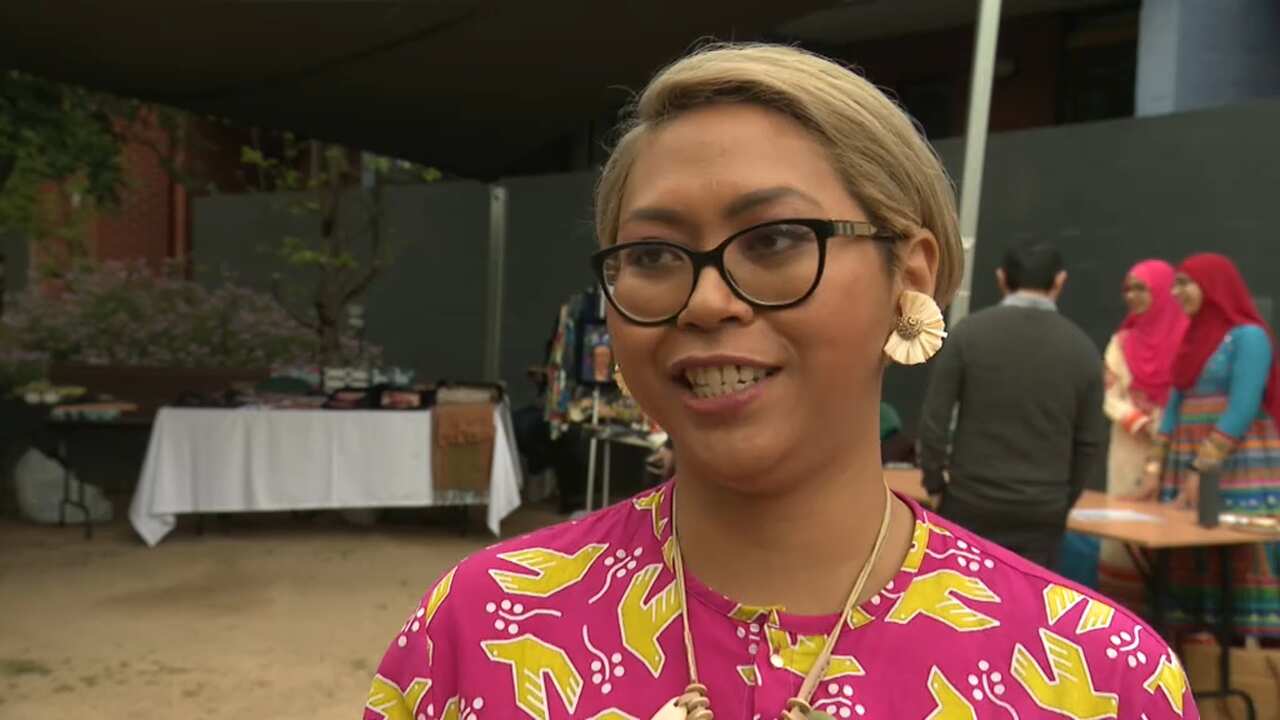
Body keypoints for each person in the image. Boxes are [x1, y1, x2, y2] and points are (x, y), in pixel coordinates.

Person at [363, 44, 1194, 719]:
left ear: (909, 274)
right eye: (653, 256)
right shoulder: (484, 626)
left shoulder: (1089, 676)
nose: (708, 300)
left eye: (775, 241)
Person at [919, 241, 1107, 569]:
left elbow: (934, 420)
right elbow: (1089, 443)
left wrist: (935, 484)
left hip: (968, 502)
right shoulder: (1083, 349)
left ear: (1001, 278)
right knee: (1028, 611)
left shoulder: (968, 334)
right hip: (1042, 512)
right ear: (1060, 281)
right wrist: (1061, 502)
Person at [1131, 252, 1280, 638]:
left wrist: (1203, 468)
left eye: (1185, 282)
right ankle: (1198, 654)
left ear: (1213, 286)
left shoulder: (1250, 337)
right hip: (1190, 465)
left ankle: (1240, 665)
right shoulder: (1193, 336)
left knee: (1231, 550)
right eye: (1175, 283)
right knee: (1190, 549)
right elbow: (1173, 409)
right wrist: (1153, 471)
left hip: (1233, 466)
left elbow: (1244, 406)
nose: (1177, 292)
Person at [1098, 260, 1187, 609]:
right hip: (1129, 447)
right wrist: (1138, 419)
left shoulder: (1187, 341)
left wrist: (1165, 424)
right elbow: (1108, 395)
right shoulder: (1121, 342)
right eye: (1128, 289)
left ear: (1162, 292)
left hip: (1175, 448)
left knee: (1174, 534)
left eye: (1141, 288)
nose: (1132, 296)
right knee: (1124, 535)